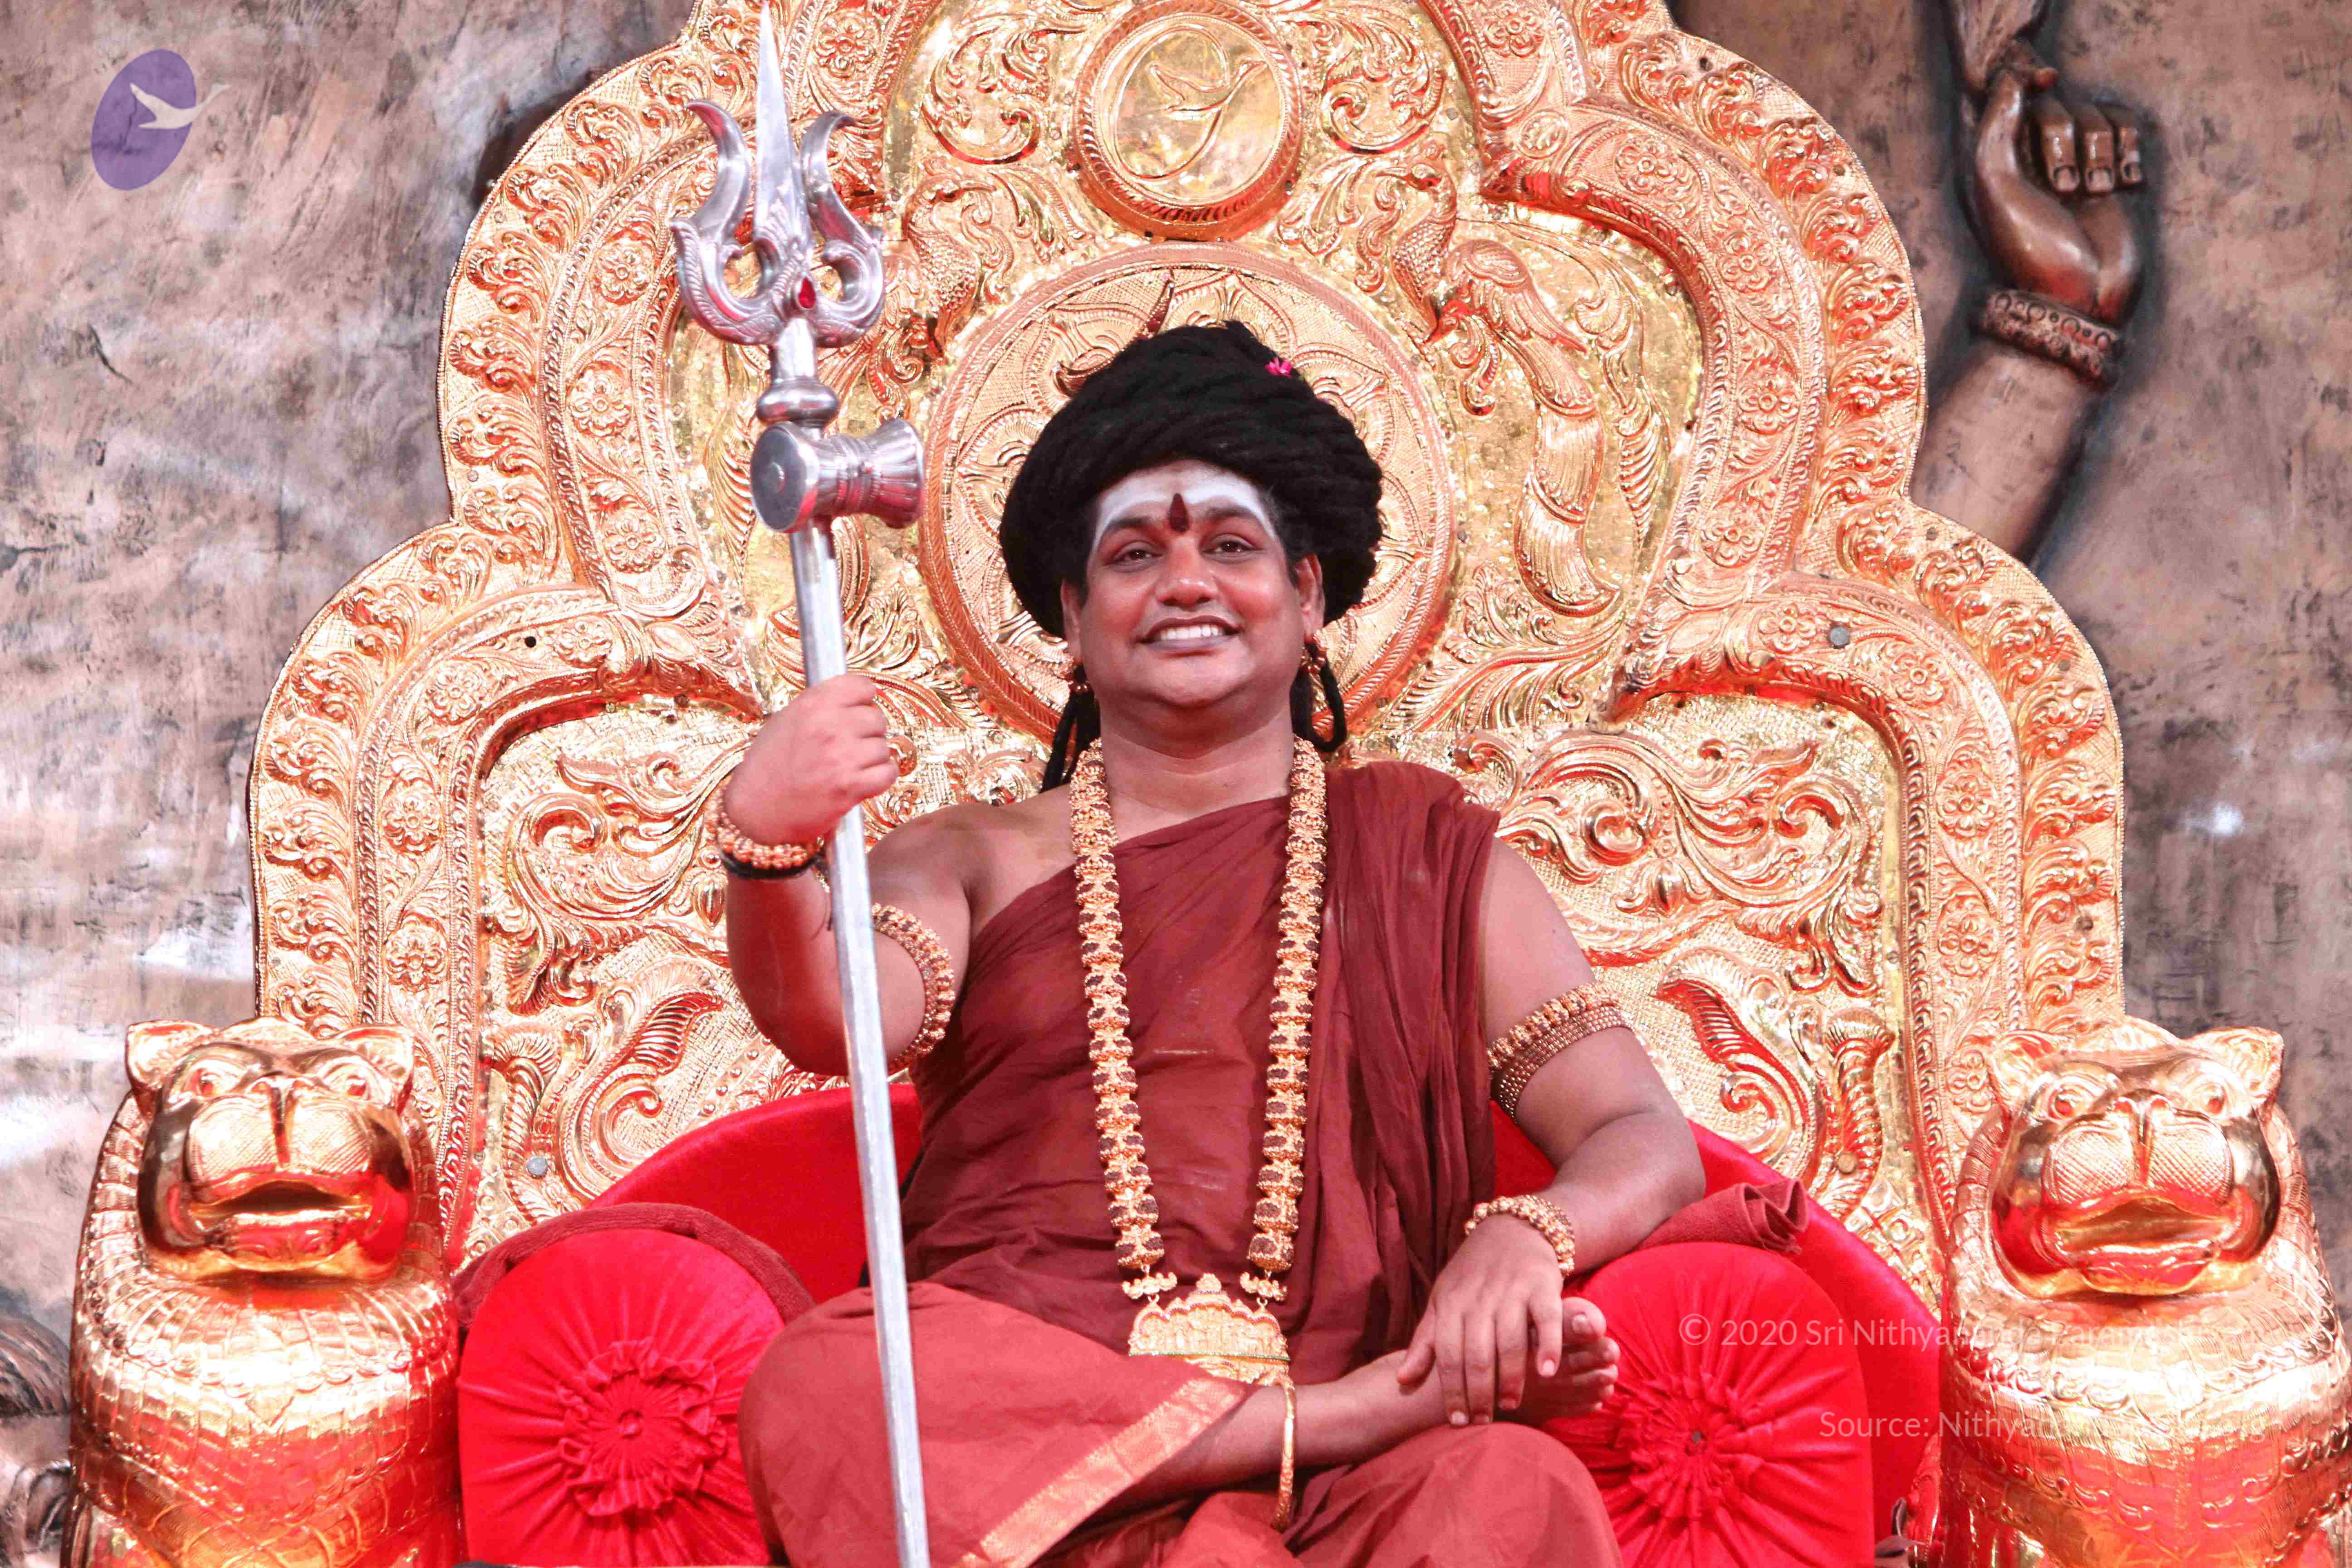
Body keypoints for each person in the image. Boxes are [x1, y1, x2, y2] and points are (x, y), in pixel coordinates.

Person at [717, 321, 1705, 1566]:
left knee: (1515, 1486)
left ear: (1309, 595)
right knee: (828, 1383)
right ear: (1073, 616)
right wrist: (767, 845)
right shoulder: (975, 856)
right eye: (1135, 554)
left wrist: (1525, 1238)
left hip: (1353, 1499)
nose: (1185, 582)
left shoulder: (1428, 865)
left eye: (1230, 547)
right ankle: (1350, 1411)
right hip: (1036, 1471)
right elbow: (834, 1020)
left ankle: (1336, 1425)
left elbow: (1643, 1137)